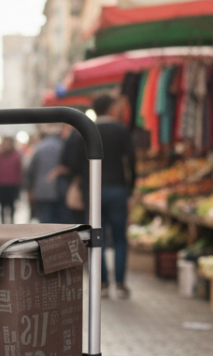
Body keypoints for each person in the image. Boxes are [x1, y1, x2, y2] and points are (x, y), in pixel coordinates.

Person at [60, 94, 136, 298]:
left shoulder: (85, 131)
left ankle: (101, 283)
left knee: (96, 238)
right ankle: (119, 284)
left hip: (93, 191)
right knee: (119, 237)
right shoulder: (121, 130)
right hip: (118, 189)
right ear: (111, 108)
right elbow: (131, 161)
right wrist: (131, 188)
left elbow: (72, 163)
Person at [26, 126, 66, 223]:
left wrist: (30, 189)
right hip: (60, 189)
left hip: (42, 189)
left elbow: (31, 170)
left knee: (45, 218)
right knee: (60, 220)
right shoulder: (62, 145)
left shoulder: (39, 147)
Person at [0, 135, 23, 223]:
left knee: (11, 205)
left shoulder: (16, 156)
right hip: (1, 184)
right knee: (2, 205)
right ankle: (4, 222)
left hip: (12, 184)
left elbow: (19, 170)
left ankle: (10, 221)